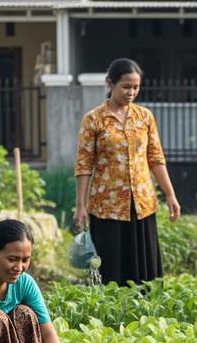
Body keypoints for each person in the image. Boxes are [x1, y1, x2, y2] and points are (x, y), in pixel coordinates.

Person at [73, 58, 181, 285]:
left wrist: (170, 195)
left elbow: (156, 158)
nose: (132, 92)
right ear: (110, 84)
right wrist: (80, 205)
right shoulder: (94, 119)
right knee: (110, 267)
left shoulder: (144, 117)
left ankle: (146, 310)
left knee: (145, 270)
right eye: (126, 86)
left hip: (141, 203)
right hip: (107, 205)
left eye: (136, 87)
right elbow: (84, 163)